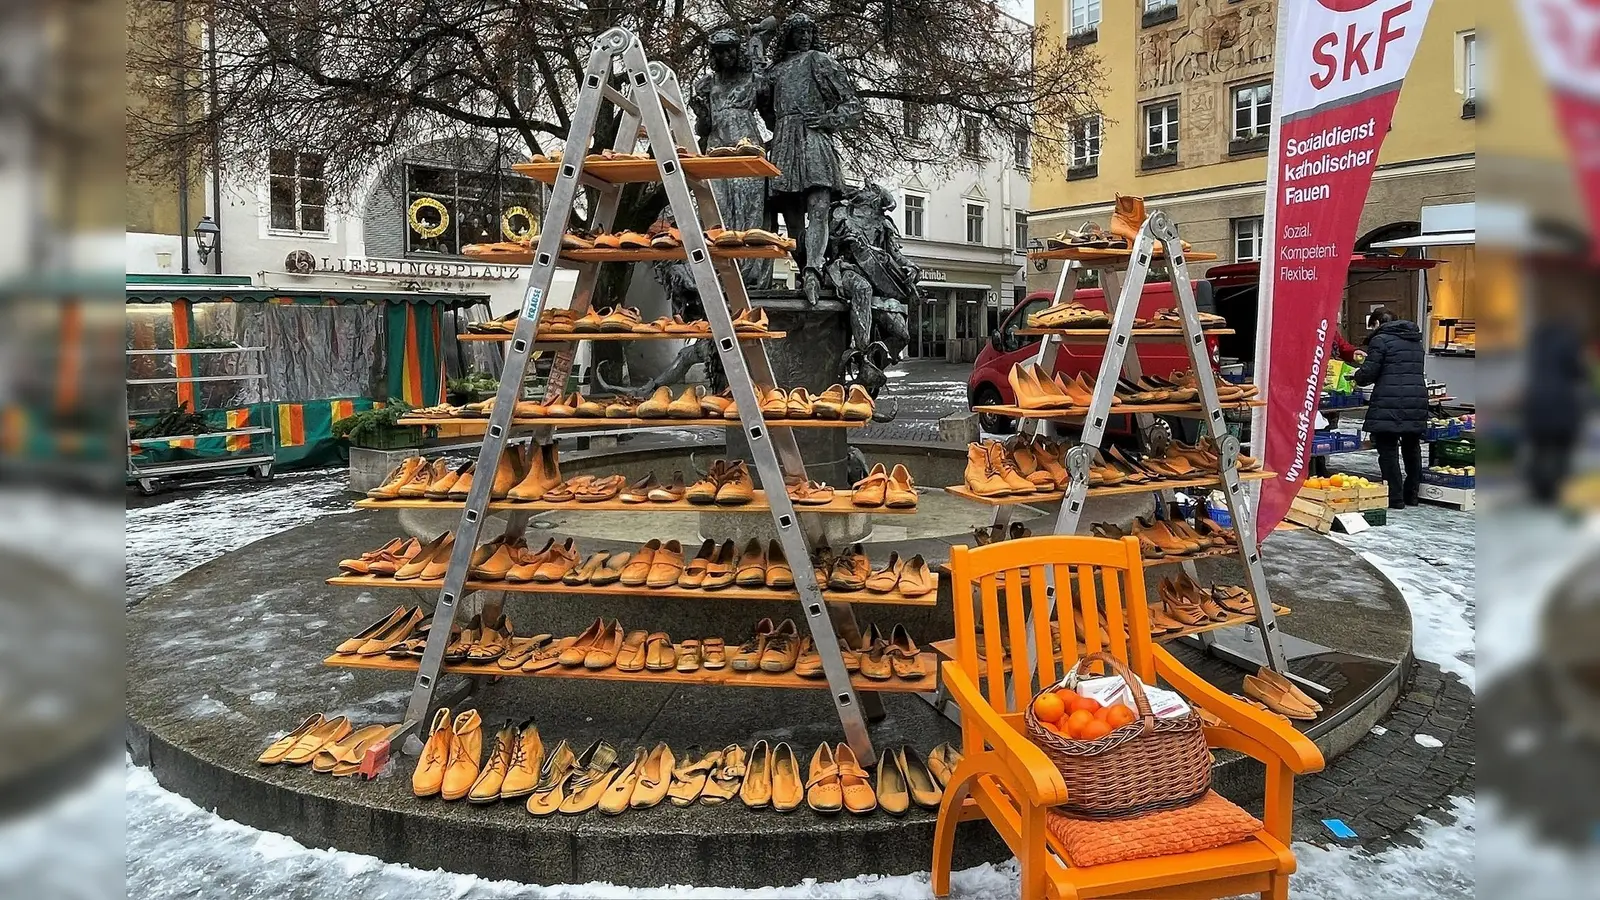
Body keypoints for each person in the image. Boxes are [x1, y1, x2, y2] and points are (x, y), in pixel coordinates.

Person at [1353, 309, 1429, 508]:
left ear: (1378, 323)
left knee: (1388, 450)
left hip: (1390, 402)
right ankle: (1412, 495)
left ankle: (1395, 498)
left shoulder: (1381, 340)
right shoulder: (1415, 340)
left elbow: (1369, 373)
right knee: (1412, 449)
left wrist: (1357, 376)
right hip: (1416, 400)